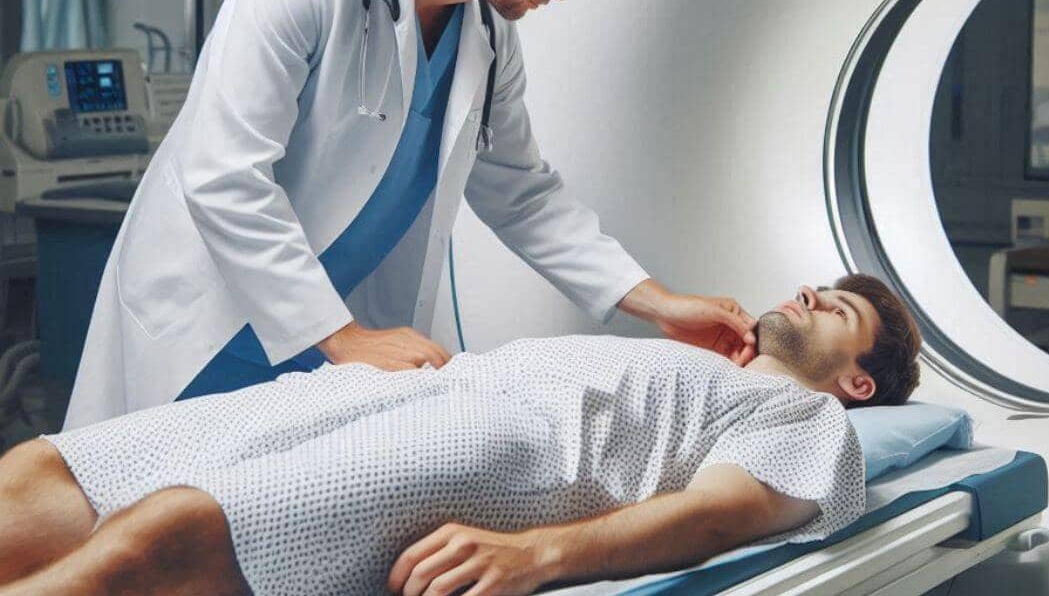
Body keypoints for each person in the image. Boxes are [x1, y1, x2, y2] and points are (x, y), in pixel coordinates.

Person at [64, 0, 759, 430]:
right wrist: (343, 337)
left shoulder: (486, 37)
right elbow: (222, 174)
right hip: (210, 321)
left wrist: (659, 303)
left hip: (327, 346)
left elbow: (523, 194)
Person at [0, 275, 920, 596]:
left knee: (176, 528)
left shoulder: (808, 421)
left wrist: (539, 556)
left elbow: (720, 516)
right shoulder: (698, 357)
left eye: (834, 307)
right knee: (42, 473)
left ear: (857, 380)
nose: (808, 294)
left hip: (517, 446)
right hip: (419, 386)